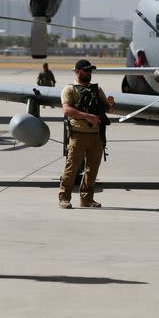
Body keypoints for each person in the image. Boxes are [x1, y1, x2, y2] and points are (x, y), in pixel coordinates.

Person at [58, 59, 115, 208]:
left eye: (90, 71)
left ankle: (87, 199)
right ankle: (64, 198)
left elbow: (108, 110)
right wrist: (87, 116)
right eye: (86, 70)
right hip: (78, 134)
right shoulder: (69, 89)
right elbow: (67, 110)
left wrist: (110, 104)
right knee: (72, 167)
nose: (89, 73)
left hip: (96, 135)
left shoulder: (97, 90)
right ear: (77, 72)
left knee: (92, 168)